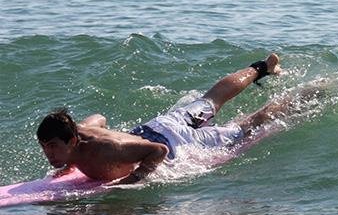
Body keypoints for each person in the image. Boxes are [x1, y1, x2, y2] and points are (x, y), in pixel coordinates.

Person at [36, 54, 286, 185]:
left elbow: (159, 150)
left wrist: (134, 181)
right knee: (211, 100)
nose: (48, 153)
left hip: (176, 140)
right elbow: (99, 118)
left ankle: (307, 96)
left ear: (71, 140)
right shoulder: (79, 131)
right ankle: (263, 66)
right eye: (45, 147)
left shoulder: (106, 149)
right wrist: (69, 161)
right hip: (157, 126)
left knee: (247, 126)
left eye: (54, 146)